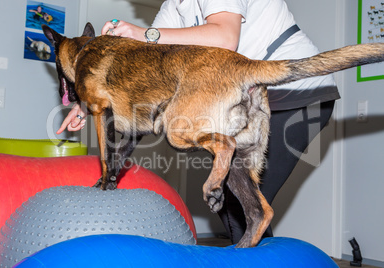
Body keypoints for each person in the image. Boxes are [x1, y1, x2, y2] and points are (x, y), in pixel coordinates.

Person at [57, 0, 340, 244]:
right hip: (244, 94)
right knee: (239, 205)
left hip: (298, 94)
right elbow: (148, 77)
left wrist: (143, 32)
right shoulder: (173, 7)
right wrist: (89, 101)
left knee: (240, 205)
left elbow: (225, 36)